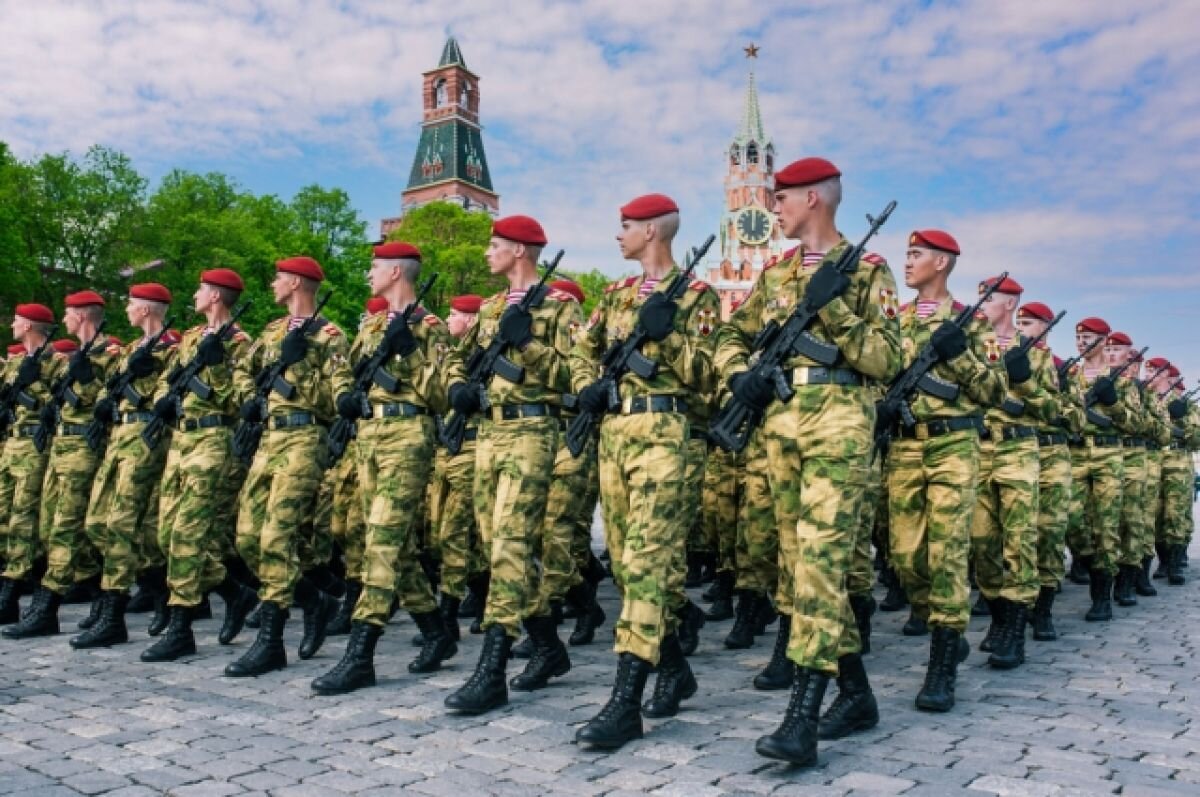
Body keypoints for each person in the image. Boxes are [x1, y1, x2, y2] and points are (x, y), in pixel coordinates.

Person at [715, 158, 903, 765]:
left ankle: (803, 715)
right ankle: (856, 694)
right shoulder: (775, 273)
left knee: (822, 563)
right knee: (799, 570)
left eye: (785, 198)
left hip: (841, 421)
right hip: (782, 423)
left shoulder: (868, 270)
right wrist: (739, 374)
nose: (776, 208)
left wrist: (838, 312)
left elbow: (887, 360)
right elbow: (730, 335)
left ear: (815, 199)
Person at [568, 193, 719, 749]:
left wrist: (668, 336)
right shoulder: (615, 294)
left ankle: (625, 701)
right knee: (628, 567)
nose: (619, 235)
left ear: (652, 231)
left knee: (651, 562)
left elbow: (704, 373)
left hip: (665, 433)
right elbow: (583, 350)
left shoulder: (697, 295)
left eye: (626, 226)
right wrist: (590, 382)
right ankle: (676, 668)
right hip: (616, 435)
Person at [442, 215, 582, 715]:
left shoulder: (559, 307)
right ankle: (548, 646)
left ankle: (492, 669)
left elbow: (575, 377)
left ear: (520, 251)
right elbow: (457, 357)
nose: (486, 253)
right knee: (498, 546)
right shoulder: (491, 308)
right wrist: (458, 385)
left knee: (510, 548)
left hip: (533, 431)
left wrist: (528, 345)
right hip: (489, 434)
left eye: (494, 244)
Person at [310, 241, 457, 695]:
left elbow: (442, 393)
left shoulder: (429, 327)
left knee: (381, 543)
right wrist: (343, 394)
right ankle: (437, 631)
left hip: (408, 436)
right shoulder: (372, 323)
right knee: (398, 550)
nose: (368, 274)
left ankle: (361, 655)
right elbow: (345, 369)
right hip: (368, 438)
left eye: (374, 267)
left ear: (396, 272)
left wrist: (410, 352)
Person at [885, 230, 1006, 713]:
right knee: (905, 554)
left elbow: (996, 390)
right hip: (905, 446)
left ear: (942, 262)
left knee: (949, 552)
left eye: (916, 255)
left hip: (955, 443)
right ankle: (941, 623)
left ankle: (941, 663)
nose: (907, 263)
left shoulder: (970, 324)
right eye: (907, 255)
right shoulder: (894, 319)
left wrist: (959, 356)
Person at [225, 256, 348, 677]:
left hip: (305, 437)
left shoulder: (329, 337)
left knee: (277, 537)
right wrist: (251, 399)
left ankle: (271, 641)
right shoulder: (273, 332)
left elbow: (336, 402)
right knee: (247, 537)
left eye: (278, 278)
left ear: (296, 283)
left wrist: (295, 370)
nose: (273, 284)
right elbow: (243, 370)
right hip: (269, 438)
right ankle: (315, 599)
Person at [140, 269, 257, 663]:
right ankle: (233, 592)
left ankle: (181, 627)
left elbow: (245, 398)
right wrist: (163, 399)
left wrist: (220, 367)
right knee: (167, 535)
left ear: (217, 298)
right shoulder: (190, 338)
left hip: (212, 439)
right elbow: (168, 382)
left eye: (200, 289)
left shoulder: (240, 343)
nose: (194, 295)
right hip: (181, 440)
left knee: (188, 535)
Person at [5, 291, 118, 640]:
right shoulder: (74, 359)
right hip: (56, 446)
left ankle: (45, 608)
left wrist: (79, 381)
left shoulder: (108, 356)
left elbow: (105, 402)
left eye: (68, 314)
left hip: (83, 447)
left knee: (65, 529)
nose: (63, 320)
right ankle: (99, 597)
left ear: (82, 317)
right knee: (49, 529)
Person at [72, 283, 178, 648]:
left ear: (147, 310)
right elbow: (106, 392)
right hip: (119, 436)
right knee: (97, 522)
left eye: (132, 303)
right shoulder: (131, 350)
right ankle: (156, 589)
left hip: (146, 438)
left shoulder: (170, 349)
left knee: (120, 525)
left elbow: (170, 395)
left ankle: (113, 613)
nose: (127, 308)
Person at [970, 276, 1054, 670]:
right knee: (981, 544)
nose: (981, 303)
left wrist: (1024, 385)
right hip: (977, 449)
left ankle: (1015, 632)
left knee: (1018, 540)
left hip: (1019, 448)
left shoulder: (1035, 354)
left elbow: (1053, 410)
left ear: (1011, 304)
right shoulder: (972, 345)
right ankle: (1000, 617)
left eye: (990, 297)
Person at [1015, 301, 1083, 641]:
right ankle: (1010, 613)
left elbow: (1075, 418)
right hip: (1014, 452)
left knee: (1048, 532)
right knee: (1014, 535)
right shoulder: (1003, 360)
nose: (1021, 327)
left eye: (1028, 322)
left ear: (1044, 327)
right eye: (1018, 321)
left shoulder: (1060, 368)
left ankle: (1042, 610)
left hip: (1052, 453)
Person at [1063, 318, 1134, 622]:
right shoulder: (1070, 374)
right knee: (1071, 521)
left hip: (1108, 454)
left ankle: (1101, 596)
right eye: (1078, 337)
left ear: (1104, 341)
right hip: (1076, 454)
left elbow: (1135, 424)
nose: (1081, 342)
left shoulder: (1120, 379)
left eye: (1088, 337)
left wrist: (1114, 402)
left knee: (1106, 526)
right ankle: (1088, 563)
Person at [0, 304, 58, 624]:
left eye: (16, 320)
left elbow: (65, 405)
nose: (12, 324)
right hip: (12, 443)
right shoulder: (18, 362)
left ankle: (12, 594)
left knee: (23, 519)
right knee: (4, 516)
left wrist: (34, 386)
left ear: (30, 326)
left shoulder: (55, 362)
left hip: (36, 445)